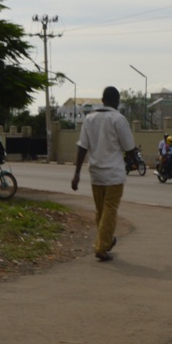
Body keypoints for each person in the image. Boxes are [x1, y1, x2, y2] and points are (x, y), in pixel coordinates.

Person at [72, 86, 137, 261]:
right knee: (109, 211)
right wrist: (135, 161)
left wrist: (77, 173)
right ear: (117, 102)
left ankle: (106, 241)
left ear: (102, 100)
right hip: (114, 175)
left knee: (101, 212)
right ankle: (101, 247)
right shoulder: (118, 119)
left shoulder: (89, 119)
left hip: (96, 174)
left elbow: (82, 147)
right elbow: (129, 147)